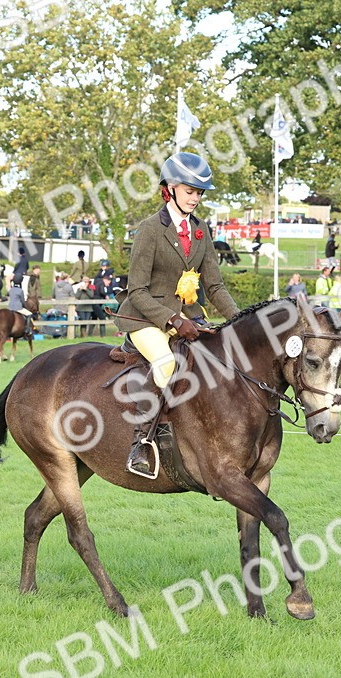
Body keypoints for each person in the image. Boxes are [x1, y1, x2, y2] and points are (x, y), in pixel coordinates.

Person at [113, 151, 240, 478]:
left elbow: (214, 286)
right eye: (190, 191)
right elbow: (137, 290)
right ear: (169, 188)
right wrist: (171, 320)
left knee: (216, 362)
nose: (196, 198)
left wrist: (242, 320)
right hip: (144, 318)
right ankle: (141, 442)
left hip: (187, 319)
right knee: (167, 363)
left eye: (199, 193)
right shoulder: (149, 229)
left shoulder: (201, 230)